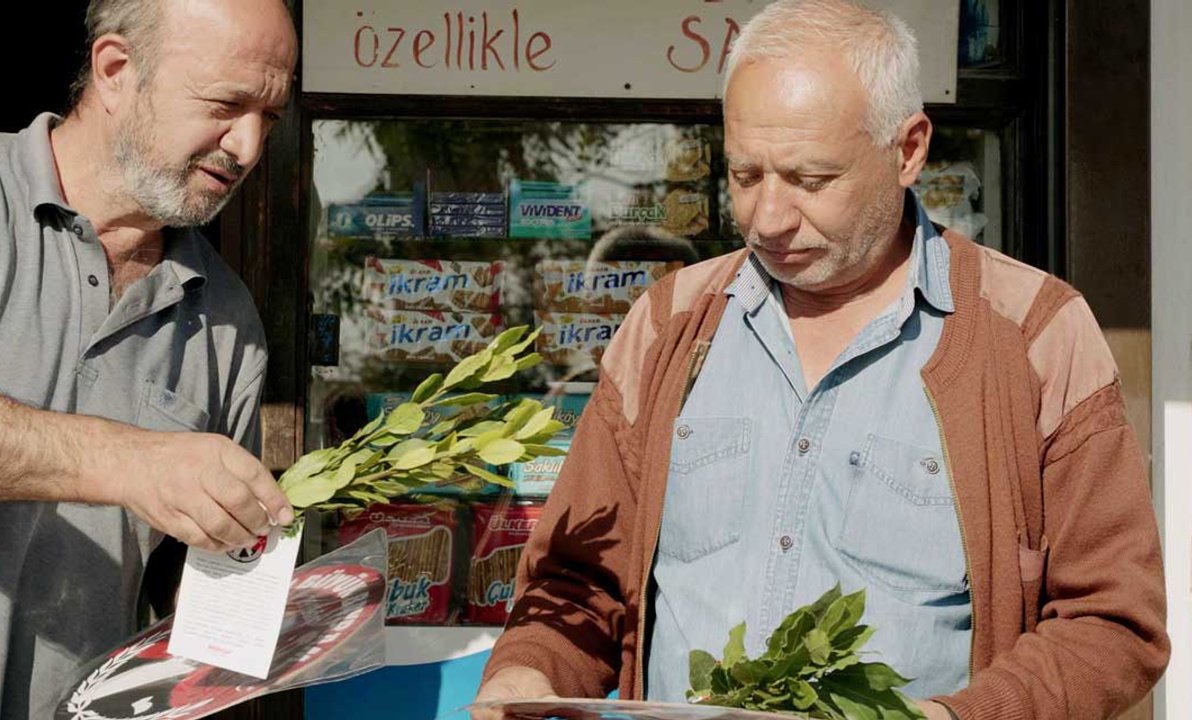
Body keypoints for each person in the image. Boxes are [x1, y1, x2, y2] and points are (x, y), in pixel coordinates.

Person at [475, 1, 1169, 719]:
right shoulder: (667, 326)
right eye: (746, 175)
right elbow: (575, 582)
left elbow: (1112, 625)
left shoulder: (1034, 336)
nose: (768, 217)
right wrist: (528, 673)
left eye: (810, 181)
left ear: (908, 150)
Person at [0, 0, 298, 717]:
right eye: (226, 105)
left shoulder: (228, 317)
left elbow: (195, 587)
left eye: (267, 119)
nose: (246, 146)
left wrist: (264, 613)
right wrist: (133, 462)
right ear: (116, 71)